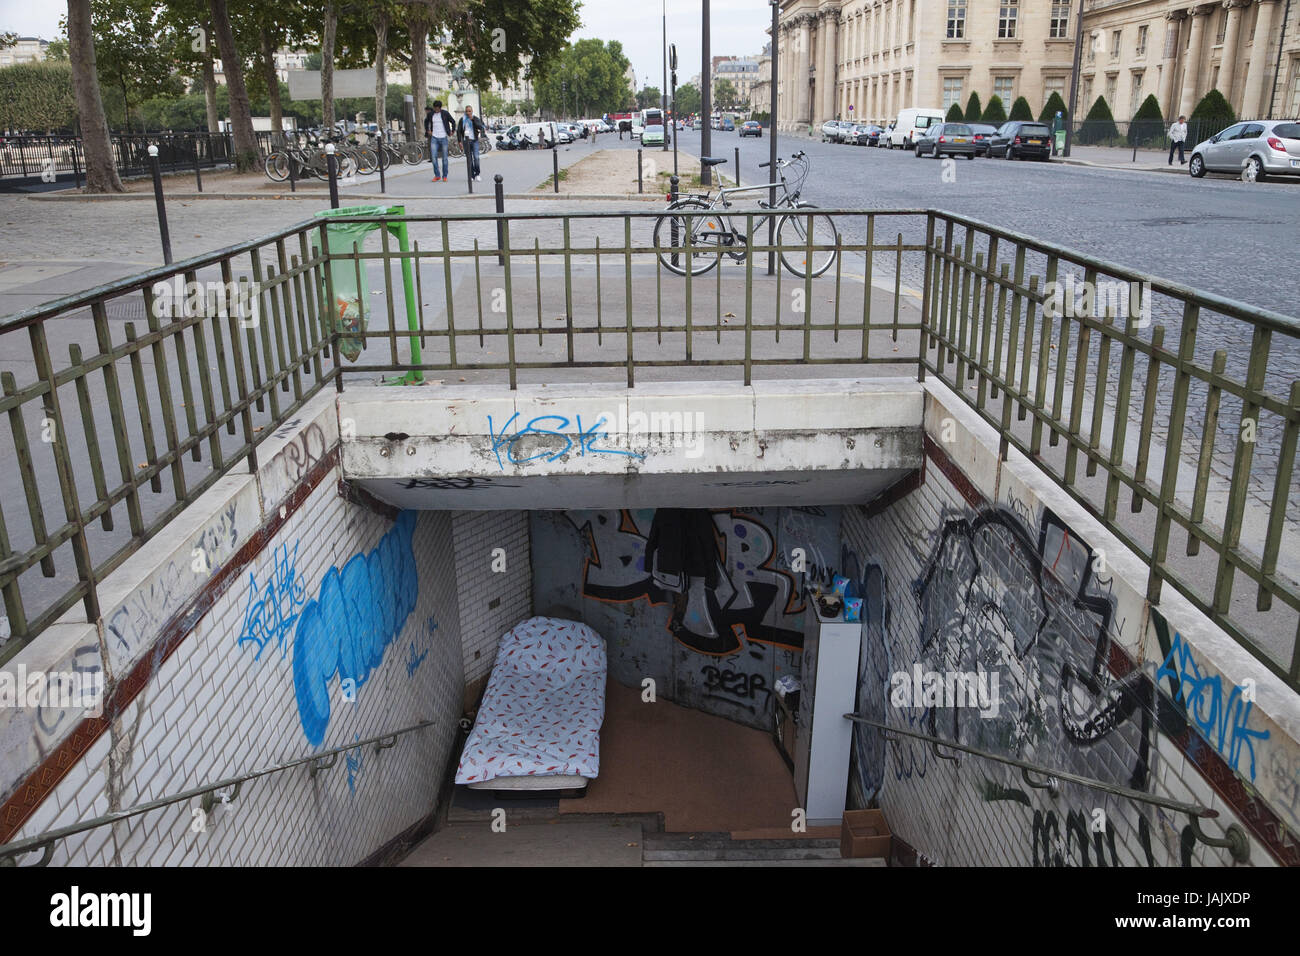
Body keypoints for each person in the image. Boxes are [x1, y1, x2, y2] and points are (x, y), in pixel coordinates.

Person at [424, 100, 454, 182]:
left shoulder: (445, 113)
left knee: (444, 158)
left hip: (444, 137)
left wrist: (452, 131)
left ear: (440, 108)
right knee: (433, 157)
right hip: (434, 138)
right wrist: (428, 130)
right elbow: (426, 122)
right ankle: (437, 175)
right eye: (435, 108)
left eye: (438, 108)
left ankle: (445, 176)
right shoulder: (431, 114)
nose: (436, 110)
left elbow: (453, 121)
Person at [457, 104, 486, 182]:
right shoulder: (462, 120)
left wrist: (472, 120)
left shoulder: (475, 118)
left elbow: (480, 127)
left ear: (472, 111)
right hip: (466, 141)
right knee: (469, 160)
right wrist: (459, 141)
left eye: (469, 111)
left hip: (474, 141)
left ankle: (478, 174)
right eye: (466, 111)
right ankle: (472, 175)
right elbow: (459, 131)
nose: (468, 113)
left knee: (476, 158)